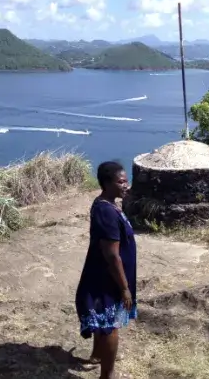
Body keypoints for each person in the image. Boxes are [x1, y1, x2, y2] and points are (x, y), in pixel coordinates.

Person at [76, 160, 136, 377]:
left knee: (103, 316)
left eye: (126, 180)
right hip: (107, 277)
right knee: (110, 324)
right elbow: (112, 255)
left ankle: (97, 355)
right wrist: (124, 287)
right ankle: (107, 375)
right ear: (107, 183)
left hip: (104, 273)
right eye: (121, 182)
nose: (125, 185)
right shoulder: (107, 212)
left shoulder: (106, 204)